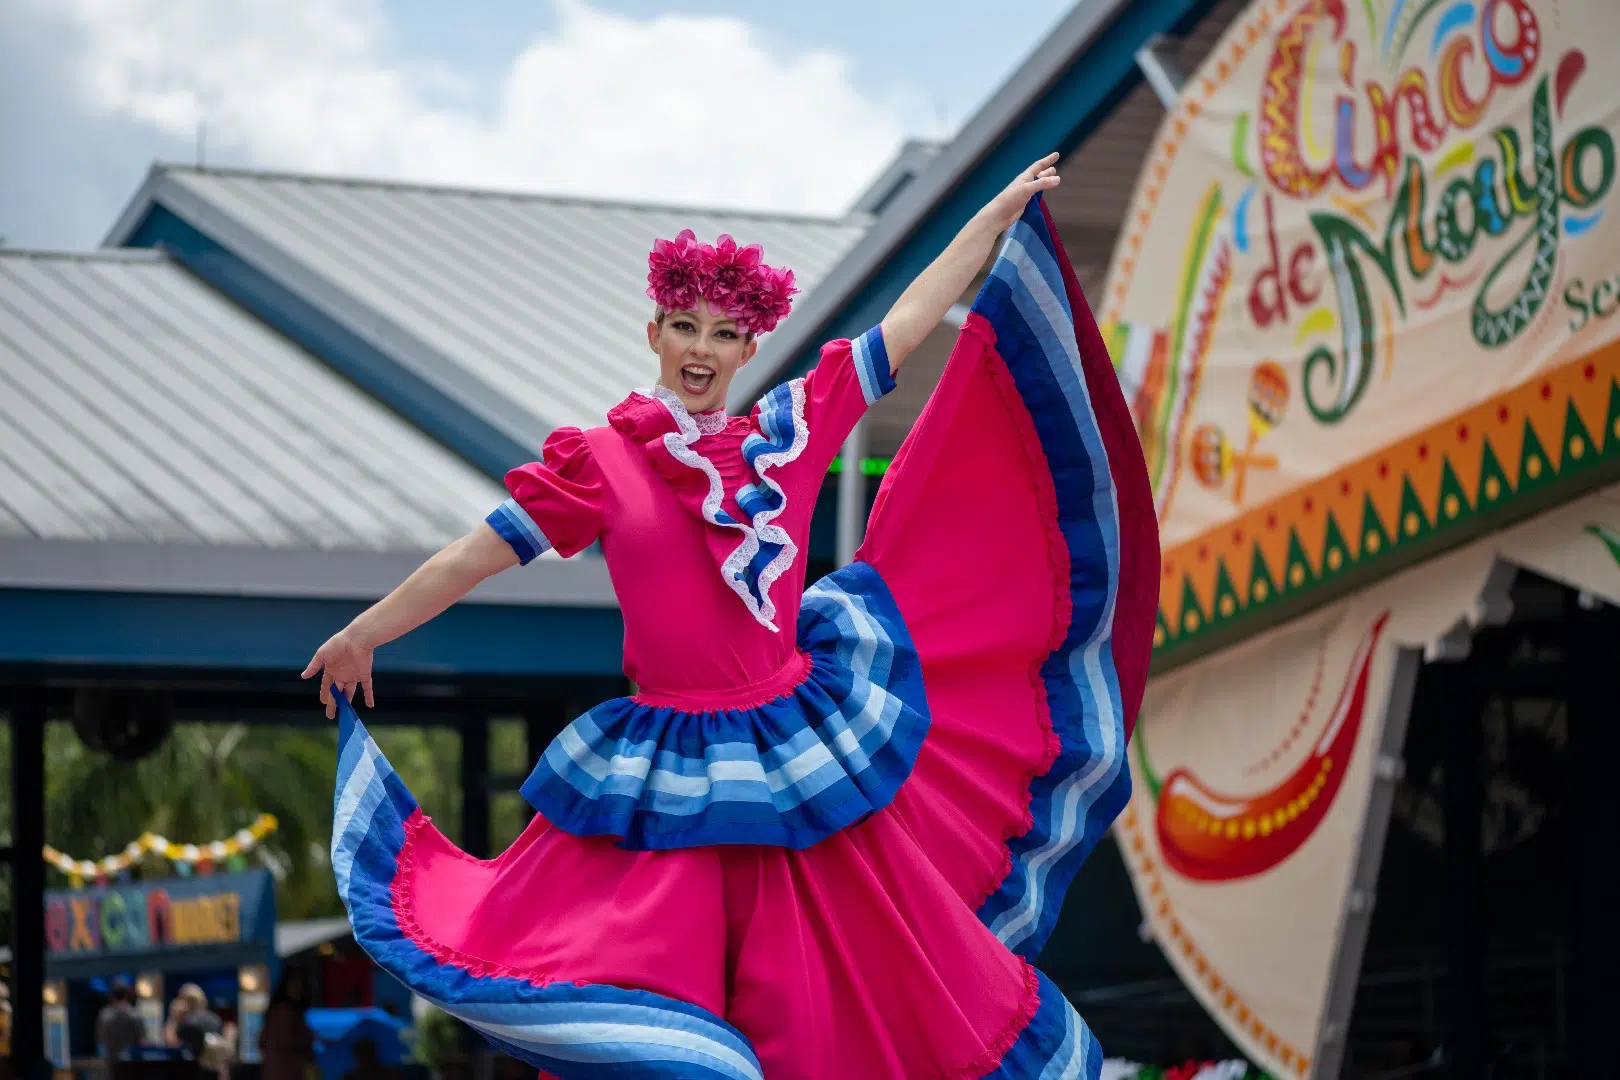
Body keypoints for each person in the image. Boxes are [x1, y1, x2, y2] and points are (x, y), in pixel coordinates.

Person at [307, 155, 1158, 1078]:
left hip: (790, 751)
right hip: (666, 764)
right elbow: (476, 553)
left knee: (836, 982)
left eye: (723, 332)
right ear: (655, 332)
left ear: (751, 349)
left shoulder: (791, 432)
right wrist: (368, 632)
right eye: (684, 326)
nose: (701, 348)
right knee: (651, 989)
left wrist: (995, 218)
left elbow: (907, 326)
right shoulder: (600, 461)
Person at [258, 972, 315, 1080]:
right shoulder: (285, 1010)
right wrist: (307, 1038)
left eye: (300, 986)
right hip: (285, 1069)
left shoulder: (282, 1010)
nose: (298, 990)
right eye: (295, 985)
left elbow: (262, 1042)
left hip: (279, 1068)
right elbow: (286, 1039)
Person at [95, 981, 146, 1073]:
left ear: (112, 997)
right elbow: (142, 1040)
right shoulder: (135, 1015)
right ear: (127, 996)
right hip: (131, 1062)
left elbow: (101, 1039)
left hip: (112, 1062)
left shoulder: (104, 1016)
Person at [173, 984, 223, 1061]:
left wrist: (174, 1017)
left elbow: (173, 1043)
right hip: (210, 1061)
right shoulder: (214, 1018)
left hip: (199, 1062)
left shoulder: (188, 1021)